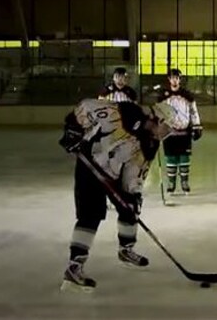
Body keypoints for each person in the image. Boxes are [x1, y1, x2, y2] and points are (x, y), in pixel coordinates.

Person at [57, 98, 177, 292]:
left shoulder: (150, 143)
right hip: (90, 166)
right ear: (157, 120)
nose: (167, 133)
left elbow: (137, 169)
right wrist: (73, 128)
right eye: (167, 128)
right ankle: (74, 267)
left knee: (130, 208)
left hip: (113, 174)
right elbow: (86, 106)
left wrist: (133, 193)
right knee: (91, 215)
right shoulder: (124, 113)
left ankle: (126, 250)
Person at [158, 69, 203, 195]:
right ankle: (171, 183)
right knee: (171, 158)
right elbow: (159, 113)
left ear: (179, 80)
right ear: (169, 79)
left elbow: (194, 112)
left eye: (177, 78)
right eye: (172, 78)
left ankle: (184, 182)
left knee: (184, 157)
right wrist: (158, 127)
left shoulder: (187, 95)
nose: (175, 80)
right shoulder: (163, 96)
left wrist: (197, 126)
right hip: (170, 131)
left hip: (184, 131)